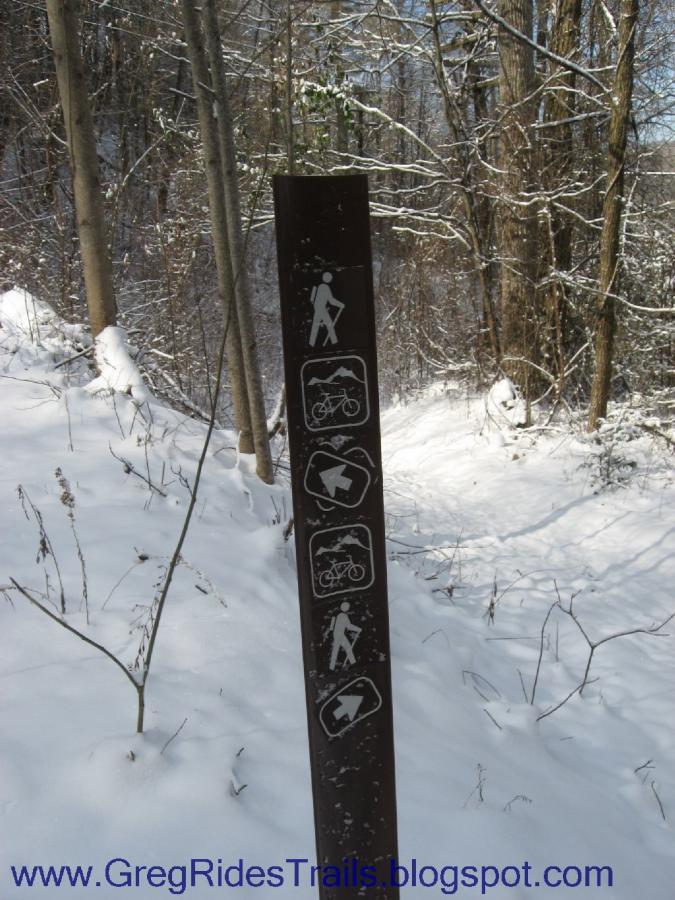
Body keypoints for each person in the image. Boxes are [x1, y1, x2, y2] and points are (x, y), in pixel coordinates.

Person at [309, 272, 344, 347]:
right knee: (329, 325)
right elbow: (331, 300)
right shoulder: (325, 287)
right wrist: (341, 304)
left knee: (316, 326)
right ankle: (335, 344)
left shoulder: (319, 286)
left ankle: (311, 344)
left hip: (317, 308)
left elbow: (312, 300)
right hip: (321, 308)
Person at [329, 602, 361, 670]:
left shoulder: (337, 614)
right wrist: (358, 629)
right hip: (340, 634)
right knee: (347, 647)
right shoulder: (343, 616)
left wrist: (331, 630)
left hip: (336, 634)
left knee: (336, 650)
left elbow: (332, 622)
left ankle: (331, 668)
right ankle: (353, 663)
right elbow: (348, 626)